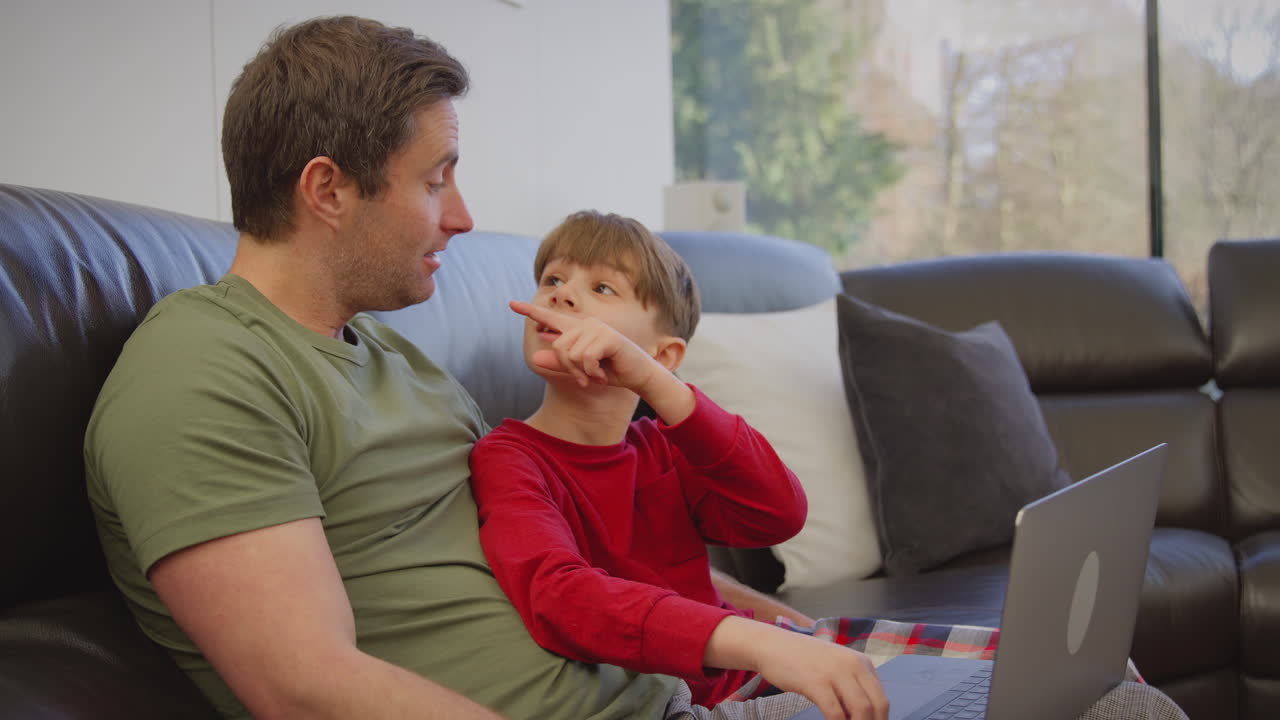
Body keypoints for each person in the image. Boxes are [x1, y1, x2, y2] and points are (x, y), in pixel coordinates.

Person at [82, 13, 1184, 720]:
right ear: (328, 190)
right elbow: (302, 686)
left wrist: (758, 622)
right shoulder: (203, 371)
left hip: (675, 699)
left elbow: (605, 541)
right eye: (436, 181)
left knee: (1099, 694)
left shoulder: (397, 364)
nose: (464, 218)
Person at [468, 210, 889, 715]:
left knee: (982, 672)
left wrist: (661, 389)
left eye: (602, 288)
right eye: (552, 280)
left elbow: (779, 513)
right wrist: (761, 642)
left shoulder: (664, 448)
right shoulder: (509, 458)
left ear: (663, 356)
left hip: (764, 670)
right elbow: (559, 595)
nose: (559, 295)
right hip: (698, 702)